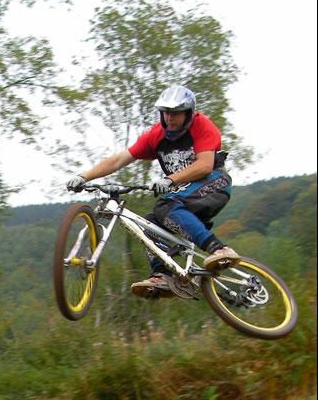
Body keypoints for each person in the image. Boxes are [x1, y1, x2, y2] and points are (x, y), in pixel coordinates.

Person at [67, 84, 239, 299]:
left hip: (214, 182)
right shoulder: (156, 135)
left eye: (175, 113)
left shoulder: (203, 126)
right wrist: (84, 176)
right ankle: (162, 275)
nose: (169, 118)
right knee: (148, 225)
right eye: (166, 112)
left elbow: (205, 165)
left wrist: (170, 179)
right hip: (186, 194)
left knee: (166, 206)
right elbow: (120, 159)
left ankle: (220, 250)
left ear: (189, 113)